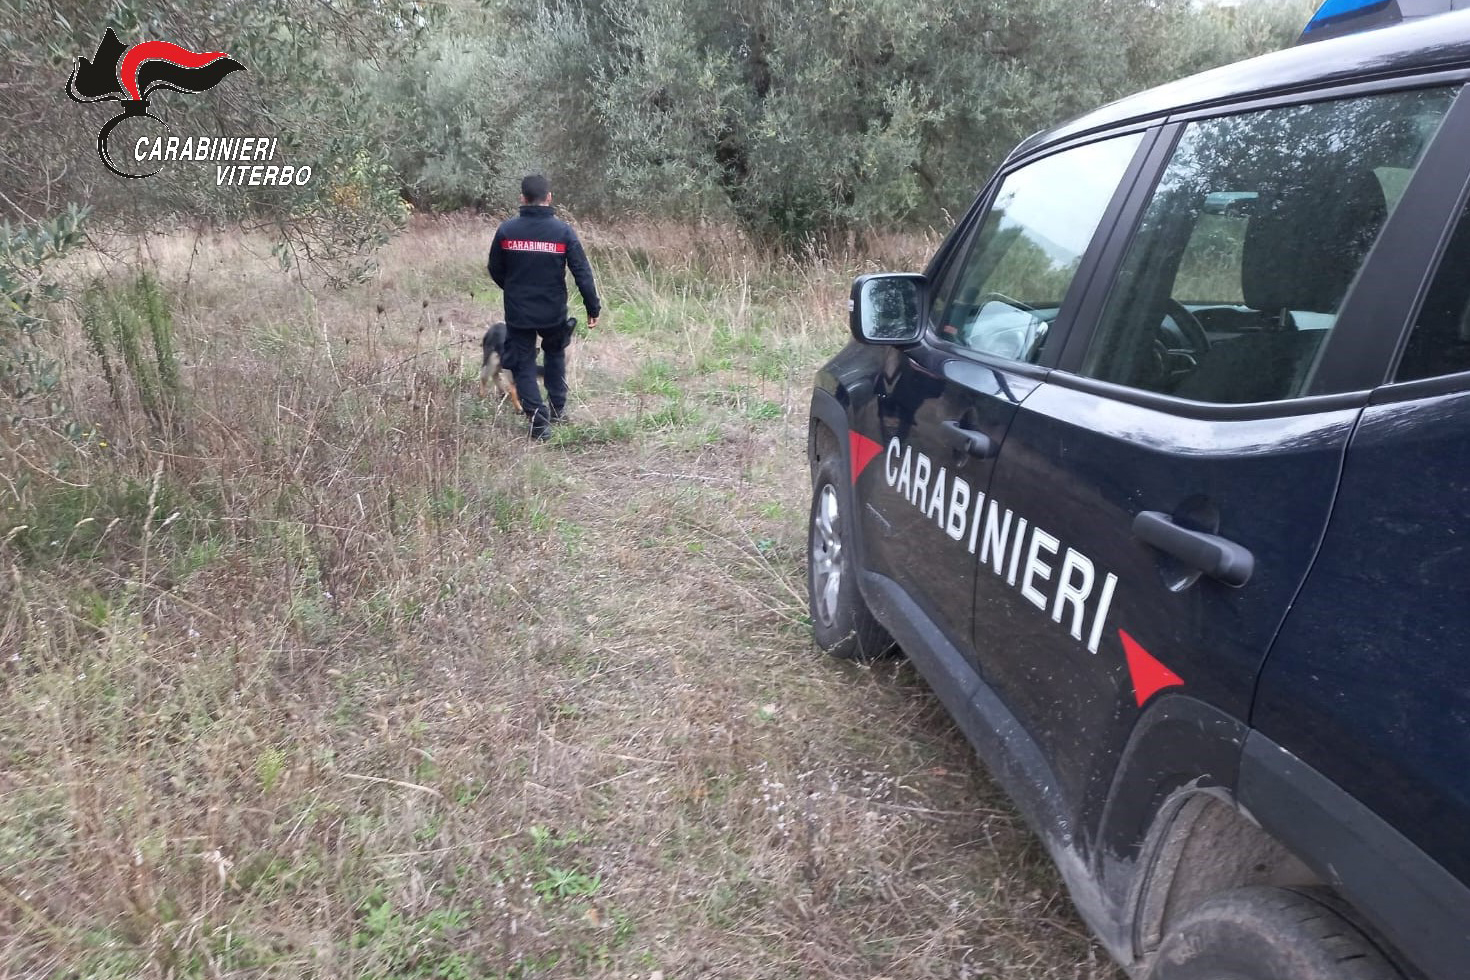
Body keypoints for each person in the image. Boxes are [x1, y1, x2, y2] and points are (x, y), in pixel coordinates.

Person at [487, 174, 601, 440]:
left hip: (519, 311)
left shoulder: (506, 231)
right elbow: (582, 272)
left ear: (522, 198)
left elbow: (495, 269)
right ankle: (557, 410)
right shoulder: (563, 232)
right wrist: (592, 307)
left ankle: (539, 423)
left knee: (523, 363)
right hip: (553, 310)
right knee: (555, 355)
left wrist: (513, 289)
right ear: (549, 197)